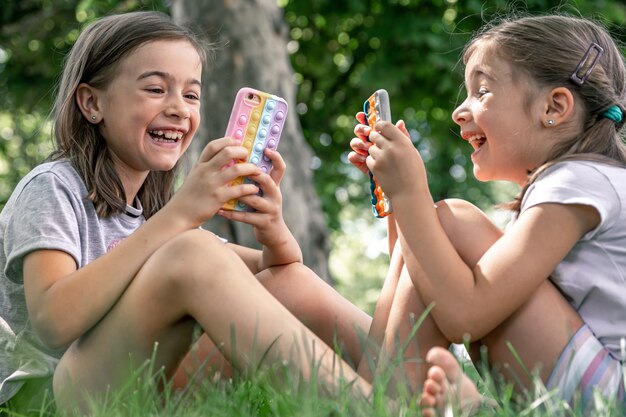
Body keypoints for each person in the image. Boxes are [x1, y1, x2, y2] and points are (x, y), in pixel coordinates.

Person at [0, 11, 374, 415]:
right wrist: (179, 217)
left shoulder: (155, 213)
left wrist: (273, 231)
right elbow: (53, 322)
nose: (179, 108)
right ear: (92, 103)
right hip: (56, 399)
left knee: (289, 280)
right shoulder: (54, 188)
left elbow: (277, 276)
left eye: (191, 94)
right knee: (191, 251)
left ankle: (415, 384)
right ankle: (366, 408)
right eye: (156, 89)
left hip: (145, 385)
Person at [348, 13, 626, 414]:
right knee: (444, 227)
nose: (459, 112)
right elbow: (424, 283)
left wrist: (411, 193)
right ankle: (367, 393)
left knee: (453, 219)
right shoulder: (579, 184)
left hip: (609, 398)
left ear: (555, 106)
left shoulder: (577, 182)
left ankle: (379, 401)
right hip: (598, 386)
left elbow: (464, 314)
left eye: (481, 91)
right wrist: (399, 201)